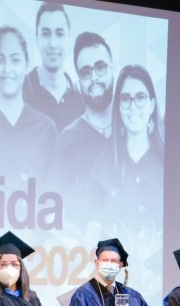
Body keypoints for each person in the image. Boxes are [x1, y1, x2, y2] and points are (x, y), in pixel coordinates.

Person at [0, 25, 57, 191]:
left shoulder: (45, 129)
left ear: (27, 64)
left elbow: (52, 199)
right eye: (0, 60)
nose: (7, 69)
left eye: (15, 60)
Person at [91, 64, 164, 229]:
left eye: (140, 97)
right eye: (125, 99)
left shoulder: (168, 164)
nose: (132, 106)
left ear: (152, 104)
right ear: (118, 106)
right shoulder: (103, 164)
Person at [54, 32, 115, 226]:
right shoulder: (66, 140)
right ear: (78, 82)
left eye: (100, 67)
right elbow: (61, 212)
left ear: (113, 69)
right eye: (86, 72)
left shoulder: (134, 131)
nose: (94, 77)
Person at [23, 2, 84, 134]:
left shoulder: (81, 99)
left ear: (69, 40)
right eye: (45, 34)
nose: (53, 44)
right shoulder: (19, 91)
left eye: (59, 34)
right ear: (37, 40)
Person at [66, 238, 155, 306]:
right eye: (105, 260)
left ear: (120, 266)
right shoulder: (82, 295)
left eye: (113, 261)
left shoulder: (132, 296)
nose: (109, 264)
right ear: (97, 263)